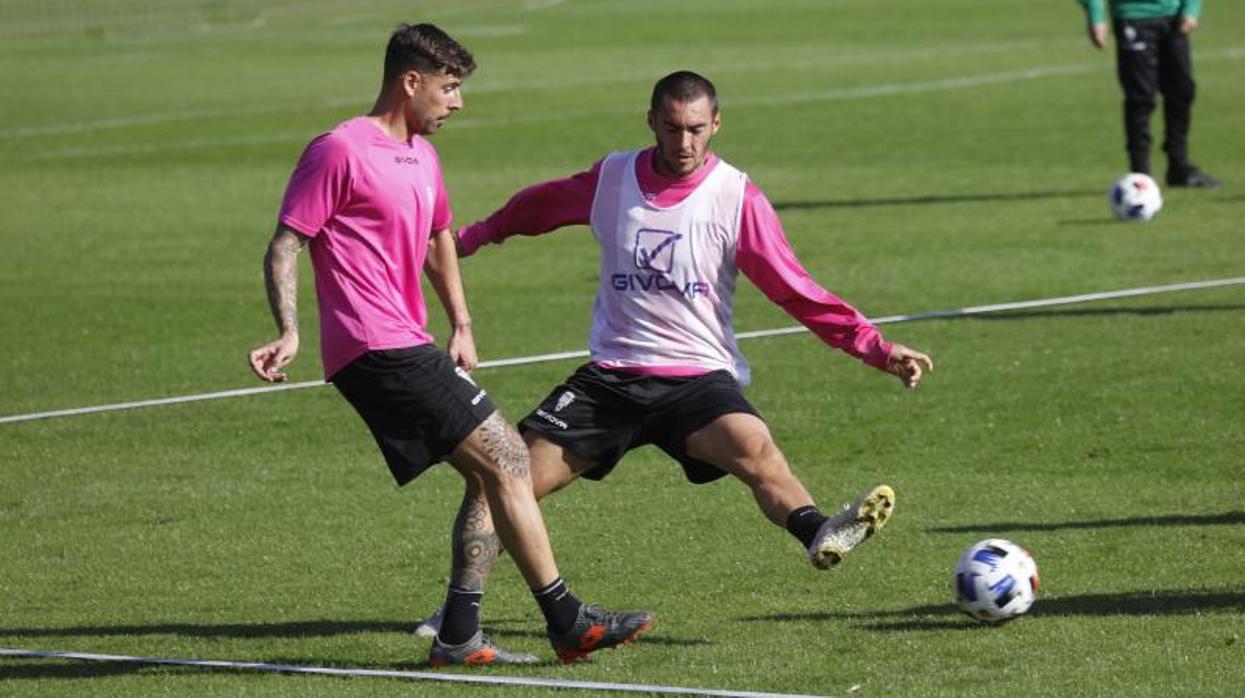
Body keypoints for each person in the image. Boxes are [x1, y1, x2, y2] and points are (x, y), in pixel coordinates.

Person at [415, 70, 933, 639]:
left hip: (695, 381)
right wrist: (469, 238)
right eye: (670, 128)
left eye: (694, 129)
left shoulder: (737, 197)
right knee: (499, 482)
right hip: (609, 380)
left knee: (757, 451)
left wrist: (876, 347)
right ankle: (458, 618)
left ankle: (819, 532)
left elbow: (793, 287)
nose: (683, 143)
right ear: (651, 122)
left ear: (716, 125)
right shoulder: (612, 179)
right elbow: (537, 207)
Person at [247, 22, 652, 667]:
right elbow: (287, 241)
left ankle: (459, 635)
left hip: (410, 341)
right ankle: (566, 619)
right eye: (449, 87)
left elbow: (439, 241)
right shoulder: (339, 150)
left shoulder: (425, 157)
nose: (457, 102)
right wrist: (291, 329)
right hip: (375, 347)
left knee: (492, 476)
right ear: (411, 83)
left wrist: (461, 321)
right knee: (511, 459)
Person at [1078, 0, 1220, 187]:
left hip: (1174, 16)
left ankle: (1178, 167)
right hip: (1132, 15)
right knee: (1141, 98)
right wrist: (1095, 13)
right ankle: (1140, 174)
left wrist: (1191, 8)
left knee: (1182, 90)